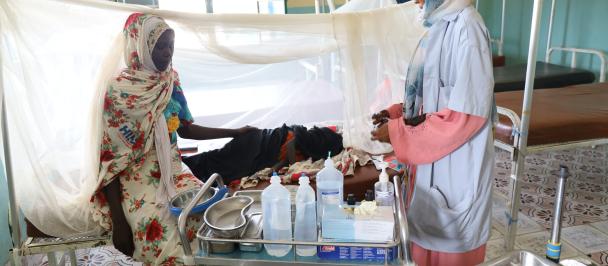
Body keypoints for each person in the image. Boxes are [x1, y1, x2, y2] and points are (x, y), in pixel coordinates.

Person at [90, 13, 256, 264]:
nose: (168, 53)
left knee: (206, 220)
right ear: (140, 46)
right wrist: (119, 222)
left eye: (171, 46)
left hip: (174, 170)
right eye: (161, 46)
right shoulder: (117, 91)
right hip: (137, 180)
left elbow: (186, 129)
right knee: (163, 235)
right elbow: (110, 161)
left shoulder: (170, 79)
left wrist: (234, 133)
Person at [371, 0, 494, 265]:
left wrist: (396, 132)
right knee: (423, 248)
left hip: (456, 169)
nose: (416, 3)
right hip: (431, 166)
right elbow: (430, 96)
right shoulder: (437, 26)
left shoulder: (468, 28)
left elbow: (464, 117)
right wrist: (397, 114)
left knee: (450, 252)